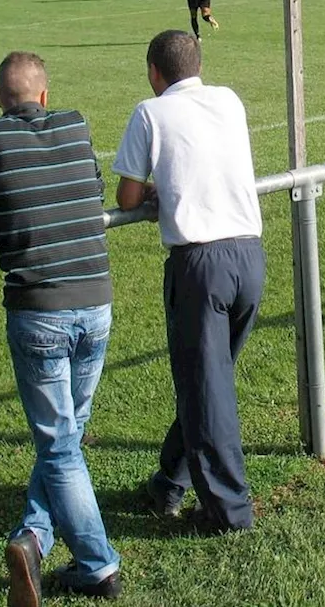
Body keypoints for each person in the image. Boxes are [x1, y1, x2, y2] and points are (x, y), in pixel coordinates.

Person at [0, 53, 120, 605]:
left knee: (61, 447)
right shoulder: (76, 123)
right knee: (67, 436)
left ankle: (97, 565)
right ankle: (33, 537)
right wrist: (26, 220)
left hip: (39, 308)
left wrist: (13, 225)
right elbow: (90, 191)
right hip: (95, 301)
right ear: (45, 96)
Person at [113, 30, 266, 534]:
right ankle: (169, 484)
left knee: (207, 391)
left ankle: (229, 514)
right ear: (198, 64)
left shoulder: (149, 112)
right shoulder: (229, 100)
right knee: (209, 383)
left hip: (201, 265)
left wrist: (157, 188)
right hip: (249, 256)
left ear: (154, 73)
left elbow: (129, 197)